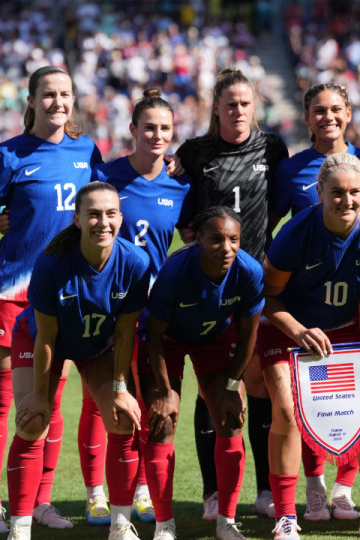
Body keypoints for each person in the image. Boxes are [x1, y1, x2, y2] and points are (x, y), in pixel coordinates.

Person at [0, 65, 100, 535]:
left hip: (64, 296)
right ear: (31, 100)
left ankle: (41, 501)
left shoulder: (88, 152)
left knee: (52, 401)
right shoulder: (6, 155)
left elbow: (107, 203)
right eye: (48, 94)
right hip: (10, 292)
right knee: (2, 400)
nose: (58, 102)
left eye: (65, 94)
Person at [260, 153, 360, 540]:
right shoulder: (296, 233)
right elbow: (267, 298)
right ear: (319, 192)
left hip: (347, 330)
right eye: (337, 192)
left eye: (355, 192)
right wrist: (300, 331)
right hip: (288, 328)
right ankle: (286, 518)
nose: (347, 201)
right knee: (287, 409)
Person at [4, 182, 151, 540]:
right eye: (94, 214)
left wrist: (120, 388)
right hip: (41, 340)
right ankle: (20, 527)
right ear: (77, 219)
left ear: (121, 217)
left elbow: (126, 332)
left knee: (120, 418)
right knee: (33, 419)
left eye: (111, 214)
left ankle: (120, 524)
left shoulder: (135, 262)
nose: (104, 222)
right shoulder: (52, 263)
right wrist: (40, 395)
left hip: (97, 347)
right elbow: (47, 337)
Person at [176, 67, 288, 520]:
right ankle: (212, 494)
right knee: (212, 390)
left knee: (258, 382)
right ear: (216, 108)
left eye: (245, 103)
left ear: (254, 107)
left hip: (256, 281)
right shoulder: (195, 152)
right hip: (209, 284)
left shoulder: (273, 147)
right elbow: (180, 213)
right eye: (230, 104)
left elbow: (284, 200)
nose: (238, 110)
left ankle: (263, 489)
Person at [270, 81, 360, 523]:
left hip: (354, 300)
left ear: (349, 112)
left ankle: (343, 489)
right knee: (309, 401)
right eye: (318, 110)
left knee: (356, 400)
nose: (328, 117)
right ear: (307, 117)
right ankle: (314, 484)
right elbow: (271, 223)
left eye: (336, 109)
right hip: (302, 300)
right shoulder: (292, 170)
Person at [79, 88, 192, 527]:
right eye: (149, 127)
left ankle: (142, 488)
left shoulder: (181, 183)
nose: (157, 135)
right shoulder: (106, 176)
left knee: (146, 400)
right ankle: (95, 493)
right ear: (133, 130)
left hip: (154, 311)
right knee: (99, 401)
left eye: (165, 128)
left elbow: (188, 239)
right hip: (104, 305)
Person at [142, 207, 264, 540]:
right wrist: (166, 392)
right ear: (198, 239)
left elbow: (248, 334)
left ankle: (226, 522)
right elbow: (153, 335)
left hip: (216, 340)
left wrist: (232, 386)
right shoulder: (175, 273)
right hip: (167, 342)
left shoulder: (250, 272)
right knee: (161, 422)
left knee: (229, 418)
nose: (226, 248)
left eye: (233, 239)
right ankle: (164, 525)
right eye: (217, 239)